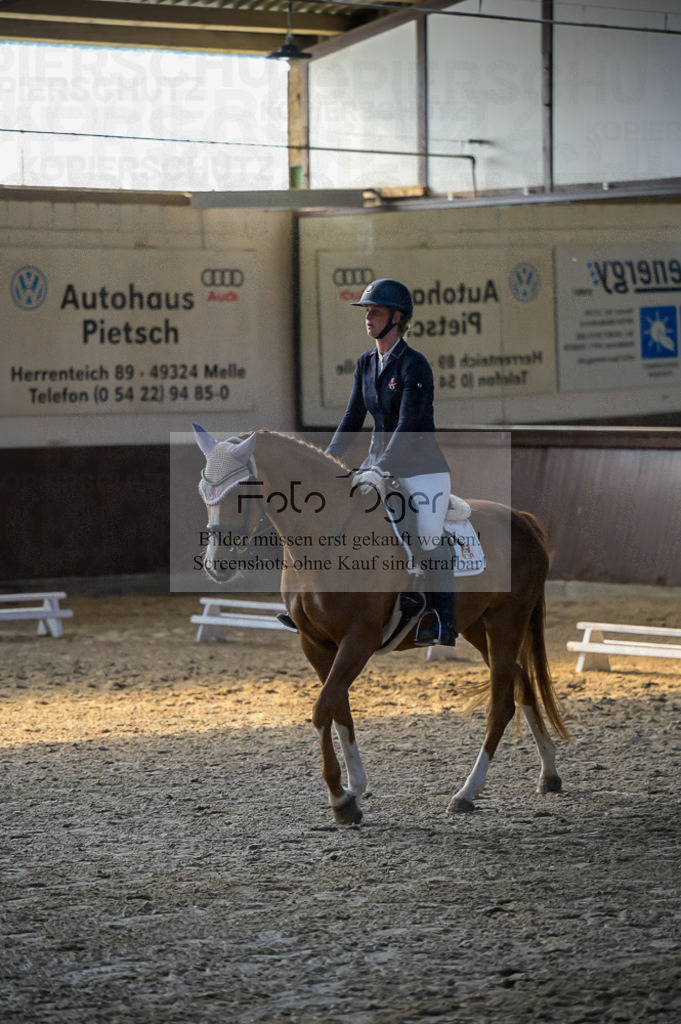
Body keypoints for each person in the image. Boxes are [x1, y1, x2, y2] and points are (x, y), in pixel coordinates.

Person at [326, 278, 457, 646]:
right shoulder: (365, 363)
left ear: (397, 318)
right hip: (377, 464)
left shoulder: (415, 365)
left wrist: (381, 467)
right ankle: (319, 607)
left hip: (421, 469)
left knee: (429, 534)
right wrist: (327, 460)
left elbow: (408, 423)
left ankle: (442, 620)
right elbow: (352, 418)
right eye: (367, 311)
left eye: (376, 312)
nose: (368, 318)